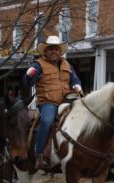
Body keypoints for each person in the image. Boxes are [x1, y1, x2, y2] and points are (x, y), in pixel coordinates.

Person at [24, 35, 82, 168]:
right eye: (50, 49)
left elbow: (75, 80)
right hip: (48, 102)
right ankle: (37, 153)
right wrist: (28, 75)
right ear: (45, 51)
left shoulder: (67, 64)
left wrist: (77, 86)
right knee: (47, 121)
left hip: (67, 100)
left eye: (56, 49)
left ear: (60, 51)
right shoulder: (38, 65)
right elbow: (27, 82)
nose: (54, 52)